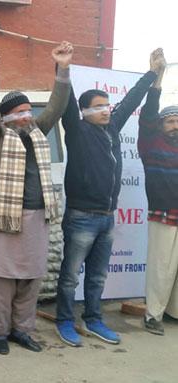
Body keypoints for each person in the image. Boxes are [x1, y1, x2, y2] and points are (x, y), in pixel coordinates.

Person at [55, 48, 165, 347]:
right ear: (85, 111)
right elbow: (65, 102)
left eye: (107, 105)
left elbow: (131, 100)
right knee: (69, 276)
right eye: (99, 106)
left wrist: (153, 73)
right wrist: (62, 69)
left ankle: (93, 319)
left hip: (107, 217)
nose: (106, 110)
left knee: (97, 278)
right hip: (81, 217)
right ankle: (64, 320)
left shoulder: (113, 128)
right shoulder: (77, 130)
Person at [0, 40, 73, 355]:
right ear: (6, 118)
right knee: (2, 283)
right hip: (5, 220)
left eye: (29, 110)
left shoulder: (38, 132)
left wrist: (63, 69)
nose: (27, 115)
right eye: (19, 111)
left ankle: (22, 331)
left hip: (36, 219)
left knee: (31, 281)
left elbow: (56, 106)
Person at [137, 49, 178, 336]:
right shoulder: (151, 142)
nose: (175, 126)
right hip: (163, 213)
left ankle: (173, 312)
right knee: (161, 268)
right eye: (171, 121)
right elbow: (149, 114)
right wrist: (158, 77)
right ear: (161, 126)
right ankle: (153, 315)